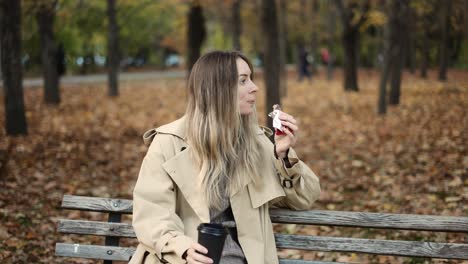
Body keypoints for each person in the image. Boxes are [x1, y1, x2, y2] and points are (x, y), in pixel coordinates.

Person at [130, 51, 321, 264]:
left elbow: (305, 198)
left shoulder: (255, 142)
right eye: (243, 81)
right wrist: (182, 249)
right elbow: (151, 214)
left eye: (251, 79)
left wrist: (283, 154)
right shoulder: (169, 143)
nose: (254, 87)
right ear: (217, 89)